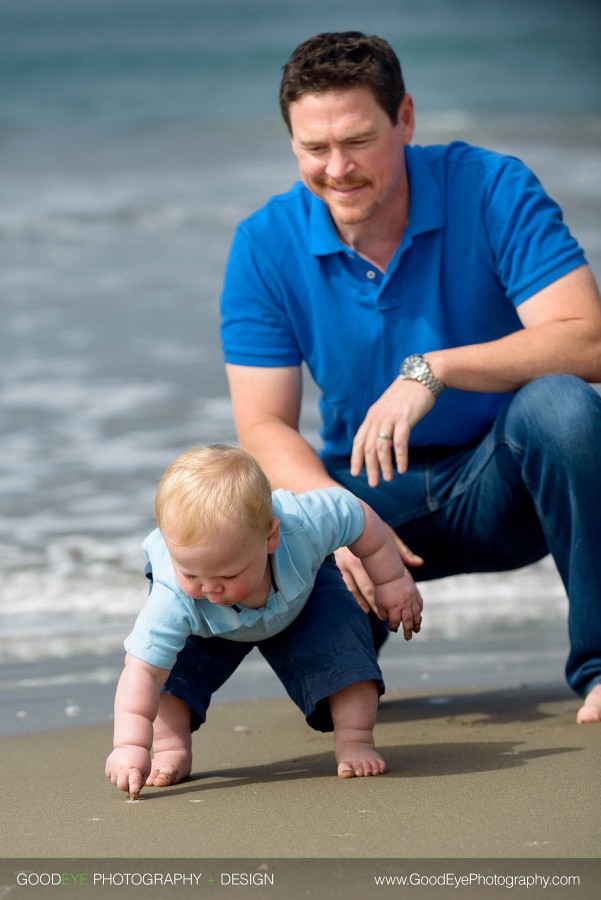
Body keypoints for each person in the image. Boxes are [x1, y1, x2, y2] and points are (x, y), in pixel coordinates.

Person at [219, 31, 601, 724]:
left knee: (563, 407)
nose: (337, 168)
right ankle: (161, 714)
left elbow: (587, 341)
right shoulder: (263, 242)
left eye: (359, 140)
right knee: (322, 690)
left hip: (504, 483)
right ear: (291, 144)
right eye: (313, 148)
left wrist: (435, 370)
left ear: (405, 119)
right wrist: (343, 519)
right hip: (368, 500)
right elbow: (263, 425)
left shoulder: (490, 185)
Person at [105, 444, 423, 799]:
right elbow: (142, 671)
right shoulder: (176, 596)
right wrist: (129, 745)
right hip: (204, 626)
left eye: (228, 574)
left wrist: (390, 581)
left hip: (302, 596)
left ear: (270, 537)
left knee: (348, 657)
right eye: (191, 572)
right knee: (169, 680)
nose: (210, 588)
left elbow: (359, 517)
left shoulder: (305, 525)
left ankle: (355, 740)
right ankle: (170, 748)